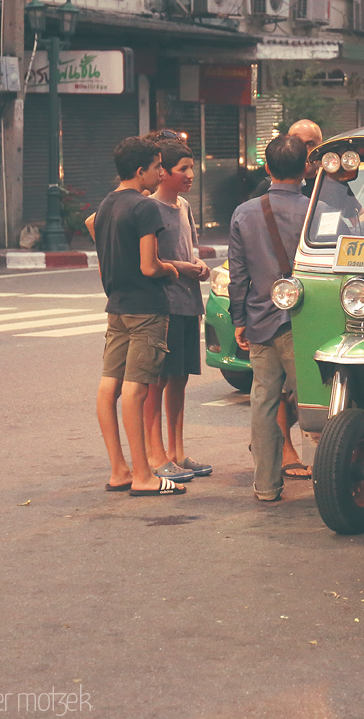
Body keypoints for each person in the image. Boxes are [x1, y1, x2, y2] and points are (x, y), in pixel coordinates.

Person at [93, 136, 187, 496]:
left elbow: (102, 251)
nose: (160, 173)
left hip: (117, 307)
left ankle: (120, 470)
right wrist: (170, 269)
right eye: (156, 166)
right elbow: (149, 266)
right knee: (136, 389)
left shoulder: (106, 205)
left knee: (109, 386)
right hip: (147, 309)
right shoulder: (144, 208)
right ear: (140, 170)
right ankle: (144, 476)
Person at [228, 135, 311, 502]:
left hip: (261, 319)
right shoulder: (316, 211)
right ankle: (329, 484)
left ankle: (265, 486)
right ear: (305, 167)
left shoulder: (244, 213)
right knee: (315, 404)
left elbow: (238, 273)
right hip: (305, 323)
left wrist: (239, 319)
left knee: (263, 401)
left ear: (267, 168)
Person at [142, 135, 213, 480]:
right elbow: (151, 260)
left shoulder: (184, 207)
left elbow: (191, 249)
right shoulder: (150, 208)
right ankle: (156, 455)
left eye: (191, 169)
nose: (189, 175)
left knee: (180, 380)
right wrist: (184, 267)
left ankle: (177, 450)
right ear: (163, 173)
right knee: (157, 381)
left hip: (189, 303)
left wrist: (198, 265)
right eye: (183, 169)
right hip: (164, 305)